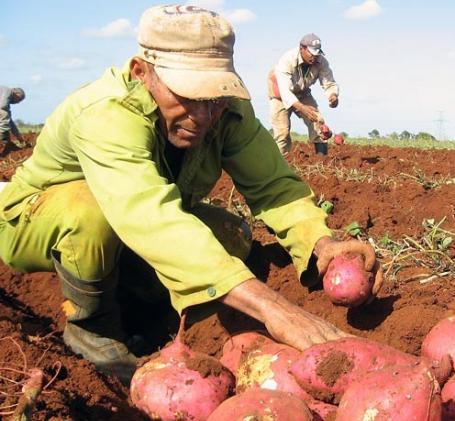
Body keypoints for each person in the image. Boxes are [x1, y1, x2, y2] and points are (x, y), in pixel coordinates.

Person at [0, 5, 381, 384]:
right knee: (89, 210)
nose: (203, 115)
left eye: (214, 98)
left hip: (129, 232)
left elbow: (274, 186)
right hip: (34, 222)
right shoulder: (105, 112)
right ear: (142, 72)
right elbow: (148, 215)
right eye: (188, 95)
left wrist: (321, 243)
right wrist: (274, 309)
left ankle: (147, 310)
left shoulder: (227, 111)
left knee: (233, 237)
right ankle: (93, 326)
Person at [268, 33, 339, 156]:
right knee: (282, 132)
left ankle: (321, 161)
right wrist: (301, 108)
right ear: (302, 48)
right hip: (279, 94)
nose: (315, 57)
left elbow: (329, 82)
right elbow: (285, 91)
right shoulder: (287, 60)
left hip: (302, 92)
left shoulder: (321, 61)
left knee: (318, 122)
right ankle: (280, 164)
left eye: (317, 54)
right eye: (312, 53)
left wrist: (333, 96)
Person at [0, 86, 26, 156]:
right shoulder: (8, 91)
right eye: (19, 100)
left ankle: (7, 143)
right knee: (4, 114)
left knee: (6, 117)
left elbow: (10, 122)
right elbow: (2, 106)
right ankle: (3, 142)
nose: (17, 103)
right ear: (17, 94)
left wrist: (18, 137)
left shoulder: (5, 100)